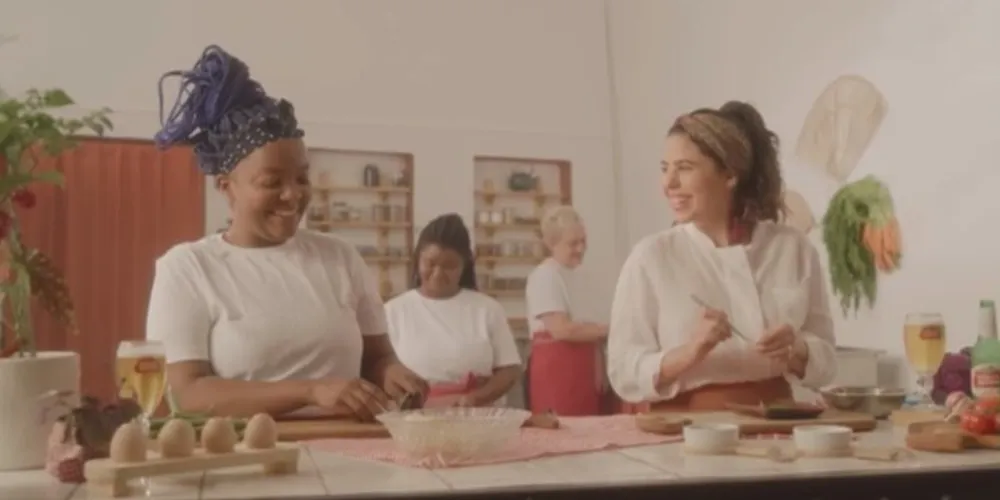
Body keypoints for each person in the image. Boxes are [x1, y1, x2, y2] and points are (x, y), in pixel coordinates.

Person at [145, 46, 427, 419]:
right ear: (226, 186)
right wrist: (312, 391)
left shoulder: (340, 258)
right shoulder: (189, 268)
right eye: (271, 181)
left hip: (352, 451)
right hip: (246, 459)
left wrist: (393, 374)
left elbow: (377, 358)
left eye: (301, 178)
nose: (293, 194)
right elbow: (186, 394)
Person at [606, 101, 837, 411]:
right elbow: (623, 371)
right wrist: (691, 351)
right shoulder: (651, 257)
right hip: (682, 435)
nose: (668, 183)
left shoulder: (793, 249)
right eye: (665, 169)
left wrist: (797, 349)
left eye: (684, 168)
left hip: (780, 426)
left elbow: (828, 363)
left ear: (729, 175)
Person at [385, 214, 522, 408]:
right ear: (417, 261)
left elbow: (510, 370)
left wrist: (474, 399)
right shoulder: (393, 312)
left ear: (464, 265)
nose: (438, 274)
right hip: (415, 420)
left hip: (477, 419)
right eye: (430, 263)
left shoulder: (488, 309)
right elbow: (381, 372)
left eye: (449, 266)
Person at [525, 206, 610, 416]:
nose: (581, 248)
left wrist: (600, 369)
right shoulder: (545, 276)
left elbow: (593, 330)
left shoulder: (584, 276)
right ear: (552, 243)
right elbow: (562, 330)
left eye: (583, 241)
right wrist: (611, 329)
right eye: (573, 243)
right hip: (557, 372)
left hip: (585, 369)